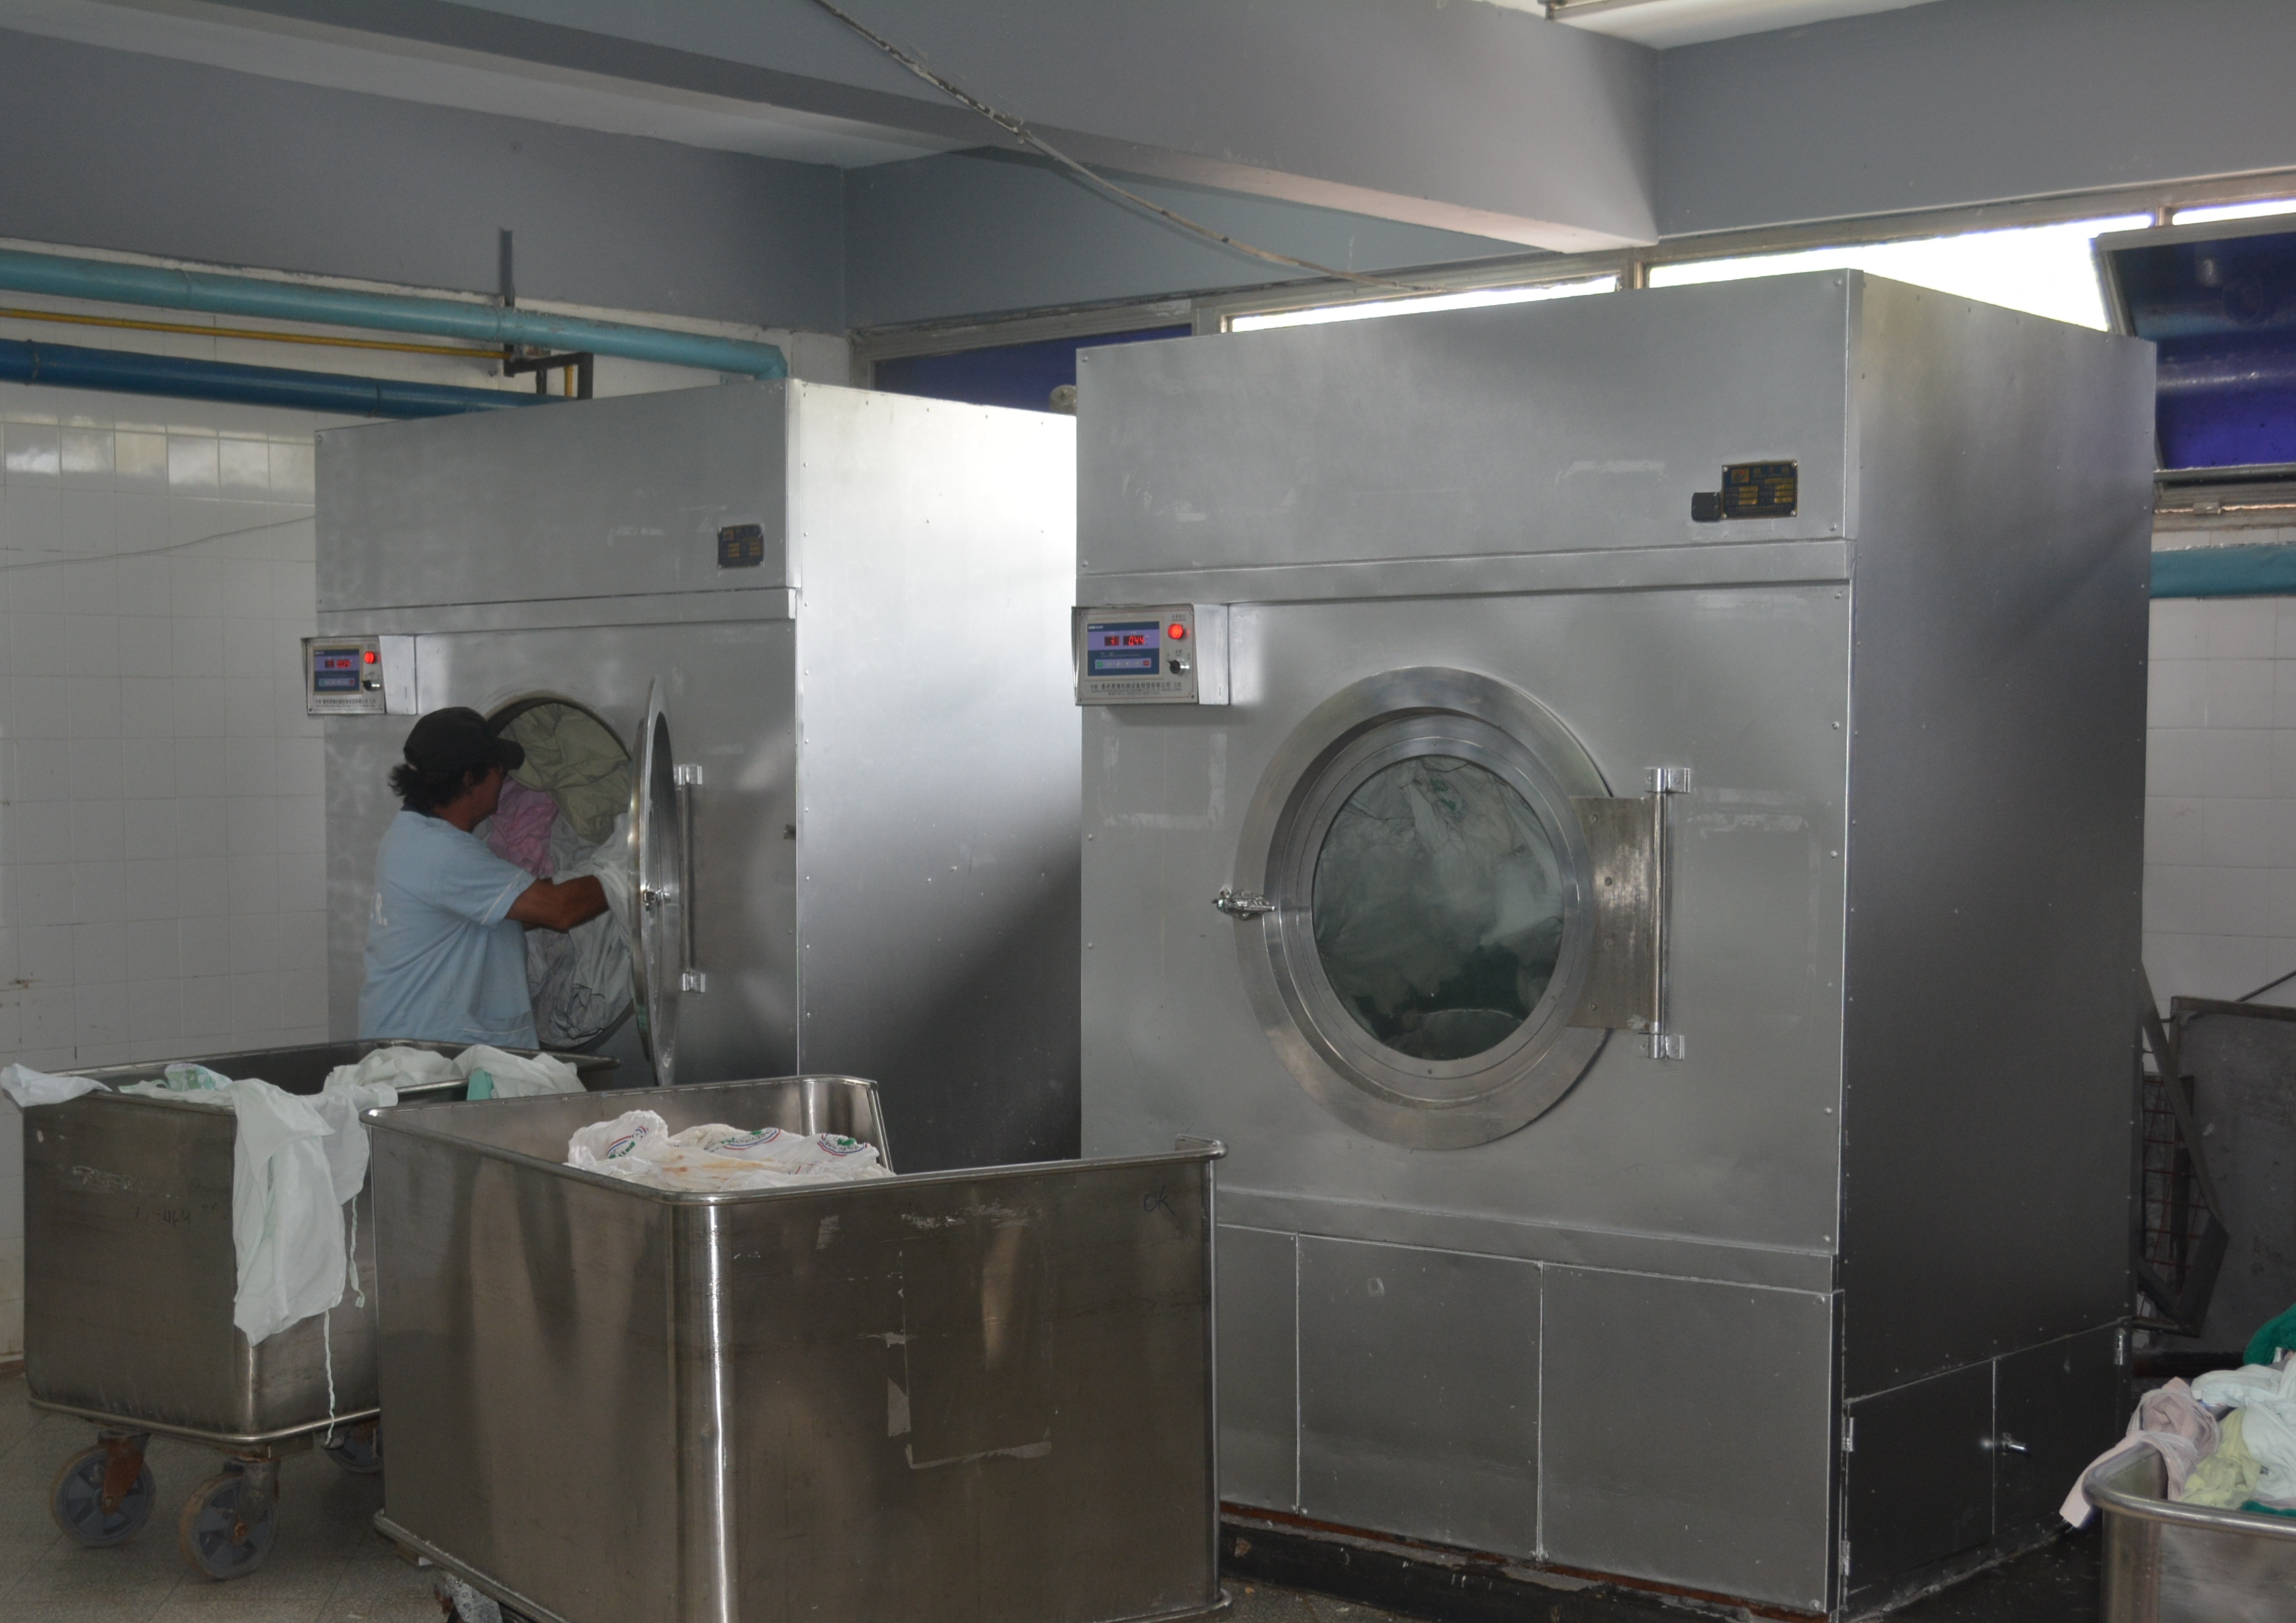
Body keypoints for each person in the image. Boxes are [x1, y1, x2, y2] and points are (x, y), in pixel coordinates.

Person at [359, 707, 611, 1047]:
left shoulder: (410, 834)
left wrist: (564, 884)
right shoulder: (445, 853)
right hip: (429, 1057)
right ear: (468, 779)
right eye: (499, 771)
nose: (503, 782)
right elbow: (560, 910)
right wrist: (626, 869)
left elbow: (508, 911)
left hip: (414, 1043)